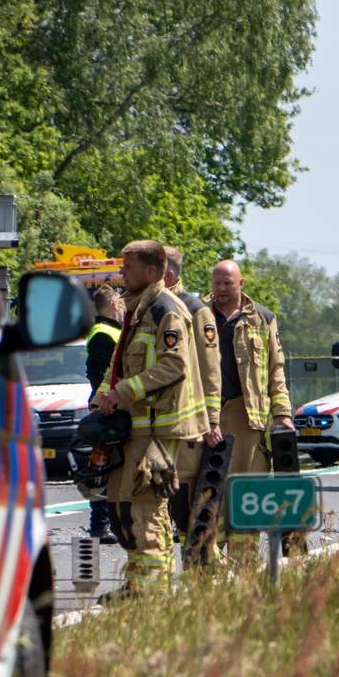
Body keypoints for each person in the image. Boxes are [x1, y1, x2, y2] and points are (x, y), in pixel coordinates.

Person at [92, 240, 209, 593]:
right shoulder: (136, 310)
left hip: (159, 428)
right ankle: (137, 583)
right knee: (123, 509)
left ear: (153, 272)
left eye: (128, 268)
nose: (121, 274)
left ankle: (151, 593)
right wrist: (100, 400)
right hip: (133, 430)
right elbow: (117, 365)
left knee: (147, 510)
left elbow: (174, 366)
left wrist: (123, 393)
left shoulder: (165, 310)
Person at [201, 259, 294, 560]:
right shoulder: (197, 315)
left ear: (241, 284)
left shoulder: (263, 318)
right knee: (207, 496)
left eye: (227, 283)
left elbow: (276, 370)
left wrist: (282, 414)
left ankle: (243, 564)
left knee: (245, 494)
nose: (221, 289)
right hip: (206, 417)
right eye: (216, 283)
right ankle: (209, 565)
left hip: (248, 416)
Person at [162, 246, 223, 543]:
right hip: (154, 428)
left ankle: (202, 578)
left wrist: (212, 421)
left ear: (167, 274)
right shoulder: (148, 308)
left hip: (187, 429)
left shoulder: (196, 309)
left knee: (188, 511)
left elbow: (210, 370)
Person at [80, 285, 123, 544]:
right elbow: (97, 372)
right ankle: (100, 525)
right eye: (119, 302)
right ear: (112, 305)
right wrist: (104, 401)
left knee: (108, 465)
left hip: (109, 404)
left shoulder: (110, 330)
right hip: (106, 407)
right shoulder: (103, 334)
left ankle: (106, 523)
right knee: (101, 466)